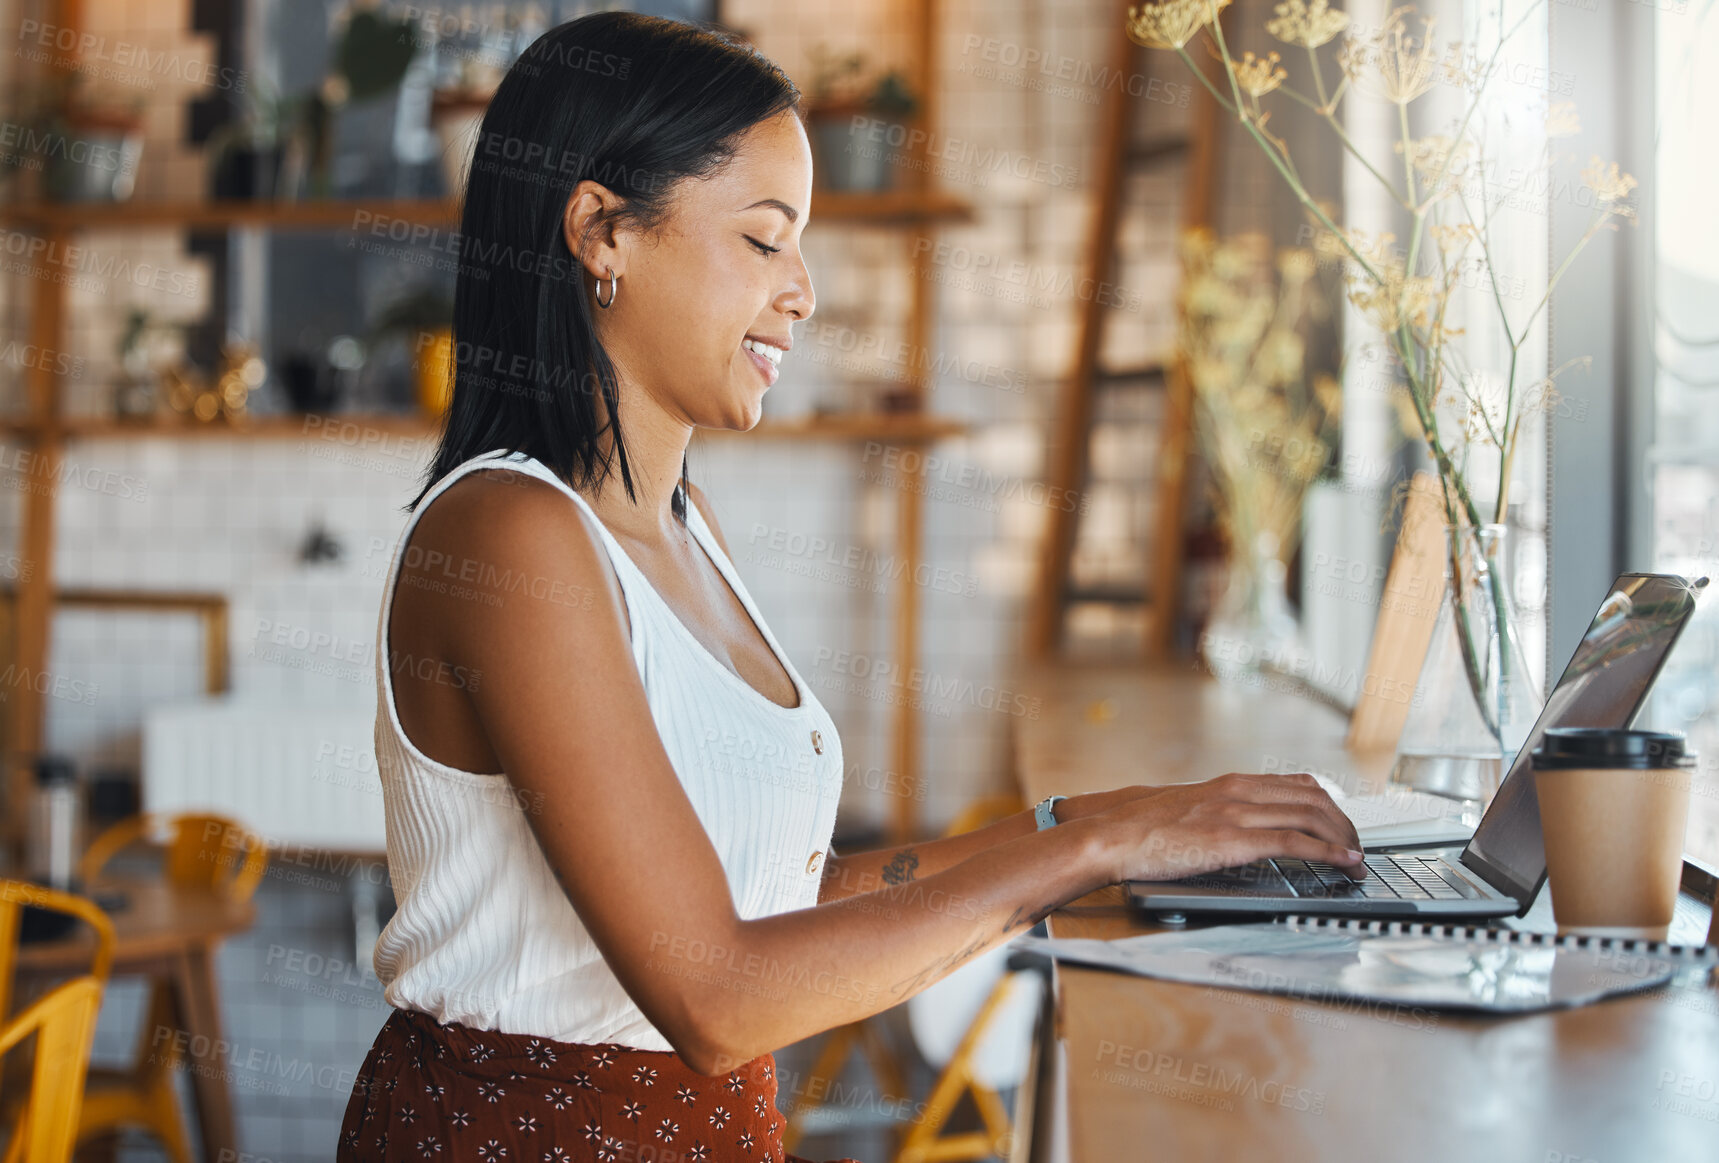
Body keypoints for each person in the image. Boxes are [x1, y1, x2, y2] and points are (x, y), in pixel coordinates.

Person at [337, 12, 1366, 1162]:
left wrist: (1088, 821)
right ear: (600, 232)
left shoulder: (681, 524)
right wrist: (1093, 851)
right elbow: (718, 995)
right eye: (765, 240)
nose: (802, 291)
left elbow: (787, 893)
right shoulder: (510, 537)